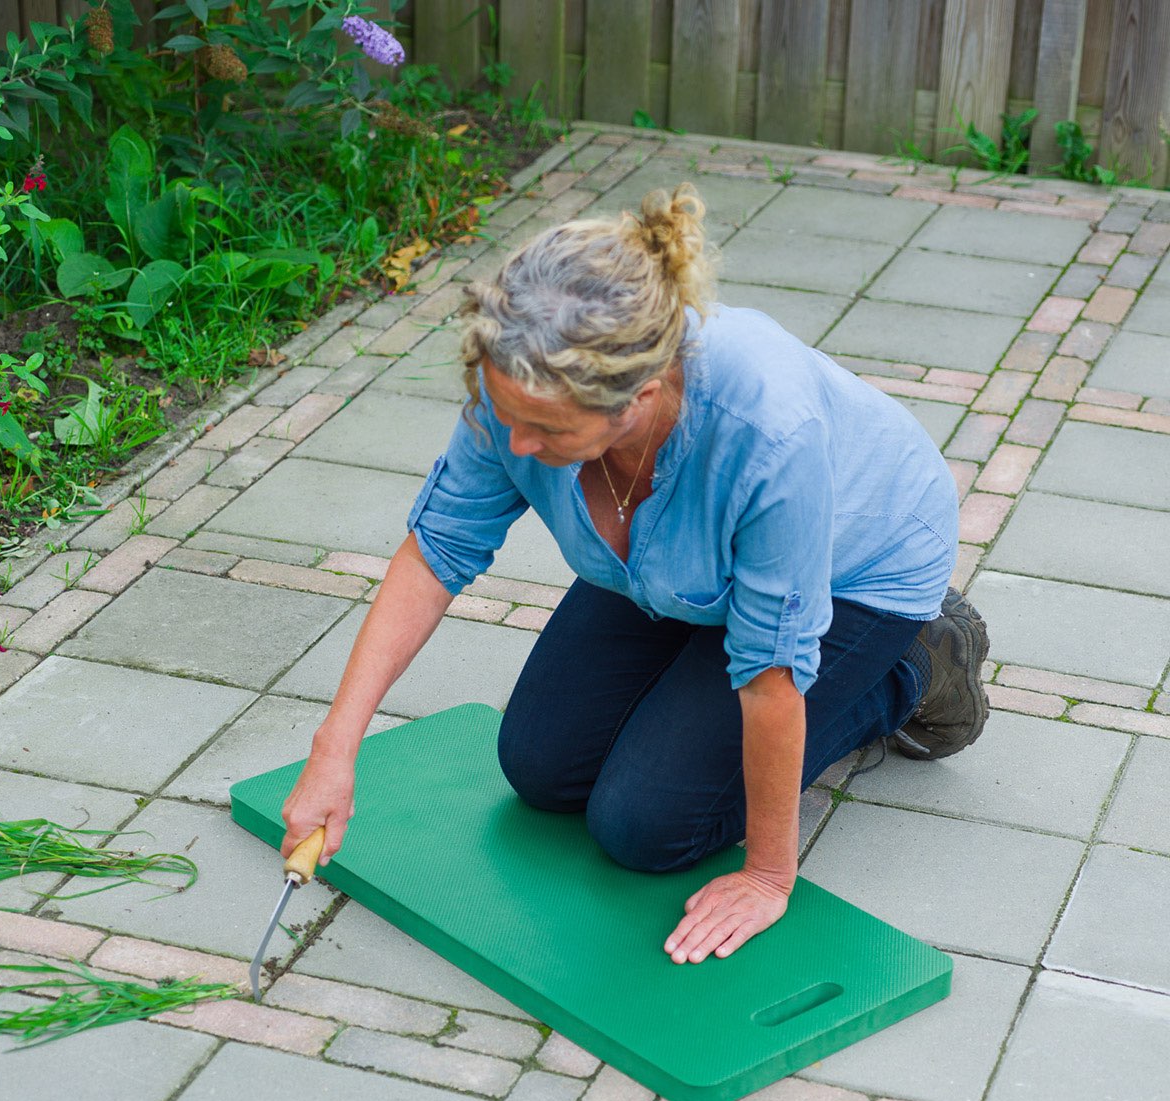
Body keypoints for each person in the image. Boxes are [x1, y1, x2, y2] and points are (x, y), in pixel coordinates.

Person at [280, 184, 989, 966]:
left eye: (546, 431)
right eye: (503, 413)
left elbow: (769, 678)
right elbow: (435, 552)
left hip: (856, 565)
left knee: (646, 827)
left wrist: (766, 875)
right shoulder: (519, 378)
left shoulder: (767, 433)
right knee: (542, 770)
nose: (512, 446)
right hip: (674, 571)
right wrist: (335, 750)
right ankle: (706, 657)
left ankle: (916, 666)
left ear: (638, 399)